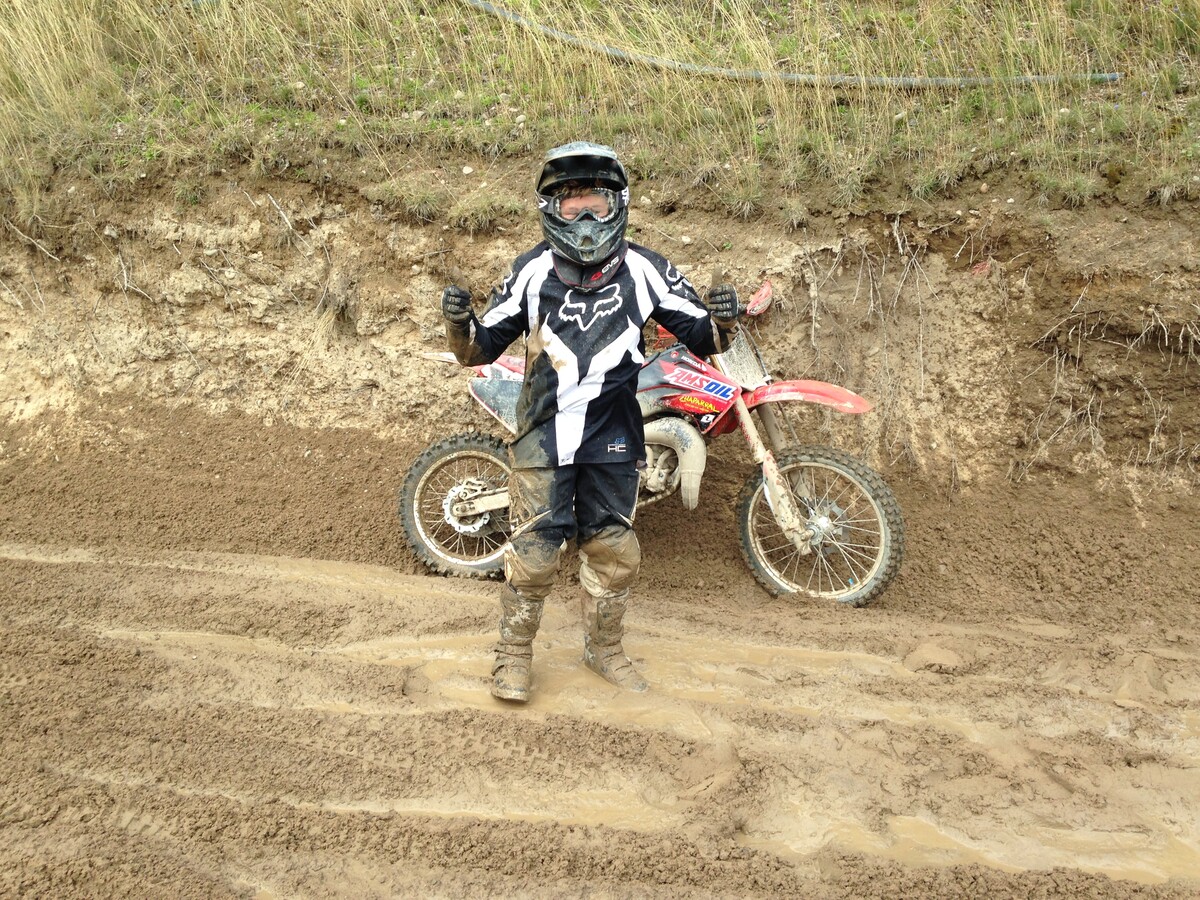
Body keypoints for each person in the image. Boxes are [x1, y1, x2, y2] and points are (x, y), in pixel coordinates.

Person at [441, 141, 738, 702]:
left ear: (617, 205)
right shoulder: (531, 271)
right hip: (543, 434)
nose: (584, 218)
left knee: (614, 553)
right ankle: (512, 656)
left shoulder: (646, 269)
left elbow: (704, 339)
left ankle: (605, 651)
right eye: (571, 204)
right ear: (550, 209)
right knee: (533, 555)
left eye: (595, 205)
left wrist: (725, 320)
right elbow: (479, 350)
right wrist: (459, 325)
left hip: (615, 434)